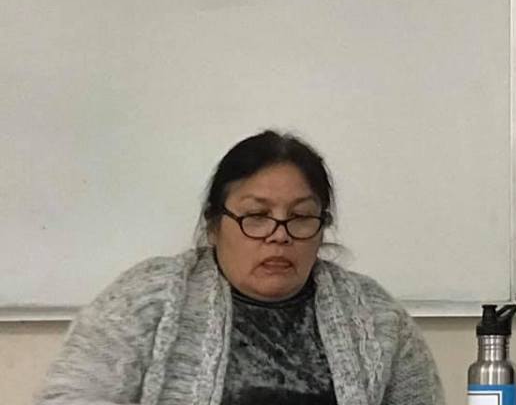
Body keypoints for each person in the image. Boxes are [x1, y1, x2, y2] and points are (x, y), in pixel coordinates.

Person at [37, 130, 442, 405]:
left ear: (323, 228)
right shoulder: (146, 301)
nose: (279, 235)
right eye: (256, 216)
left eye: (301, 217)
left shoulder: (376, 318)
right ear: (214, 225)